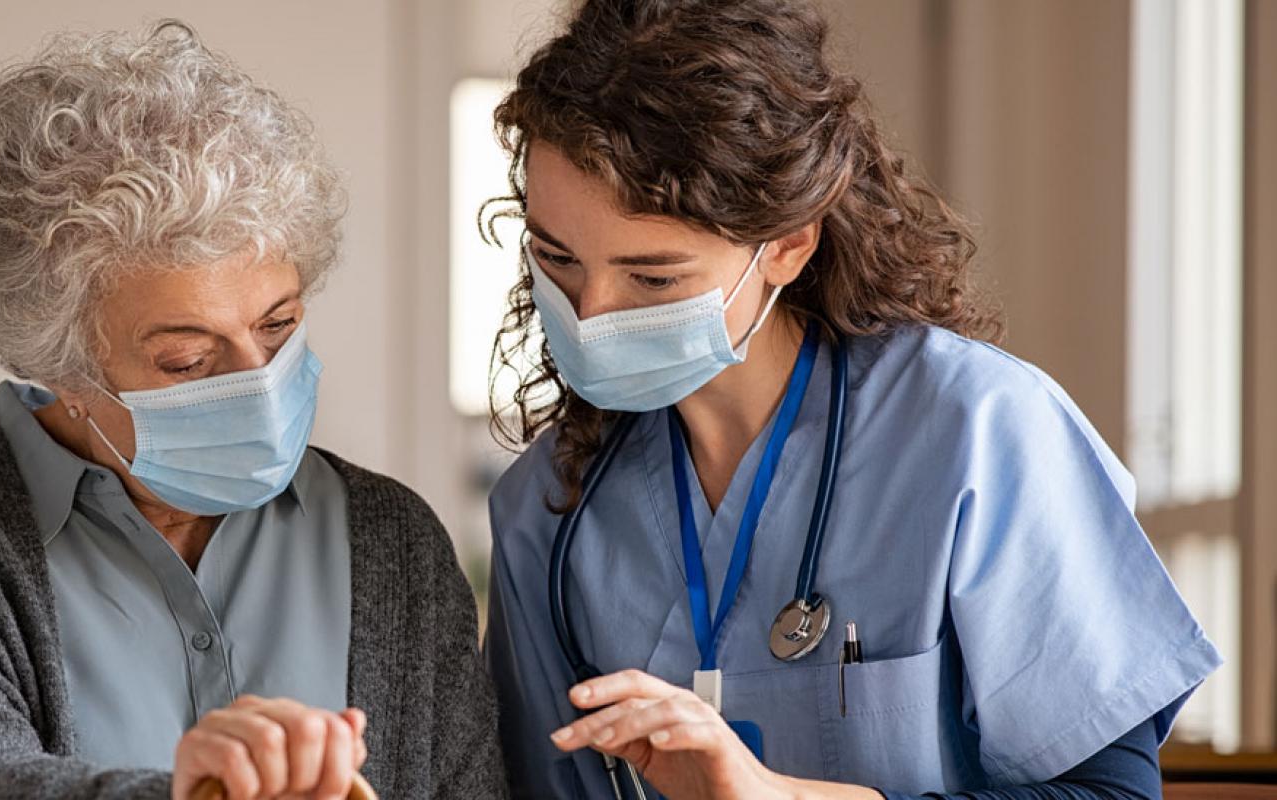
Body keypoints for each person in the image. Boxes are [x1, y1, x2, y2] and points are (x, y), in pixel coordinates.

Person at [480, 1, 1220, 798]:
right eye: (557, 258)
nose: (591, 316)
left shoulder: (977, 433)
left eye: (654, 278)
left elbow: (1112, 794)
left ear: (790, 244)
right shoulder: (548, 511)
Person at [0, 23, 504, 800]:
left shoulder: (390, 541)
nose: (259, 382)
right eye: (187, 360)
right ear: (57, 364)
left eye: (279, 326)